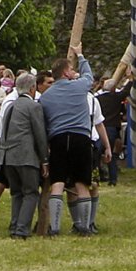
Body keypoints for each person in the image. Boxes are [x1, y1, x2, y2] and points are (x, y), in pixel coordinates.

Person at [39, 55, 100, 238]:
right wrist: (81, 56)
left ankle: (55, 228)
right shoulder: (78, 86)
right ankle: (85, 227)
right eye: (72, 69)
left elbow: (45, 122)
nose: (75, 72)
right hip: (80, 139)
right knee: (82, 183)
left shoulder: (45, 97)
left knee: (57, 183)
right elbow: (89, 77)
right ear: (66, 72)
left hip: (57, 139)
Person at [0, 69, 48, 239]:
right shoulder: (34, 106)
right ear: (32, 88)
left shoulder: (9, 105)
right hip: (26, 156)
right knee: (31, 192)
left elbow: (3, 132)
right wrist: (44, 159)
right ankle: (22, 230)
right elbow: (40, 135)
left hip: (8, 156)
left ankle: (14, 226)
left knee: (17, 193)